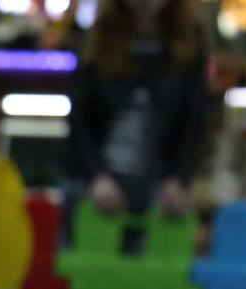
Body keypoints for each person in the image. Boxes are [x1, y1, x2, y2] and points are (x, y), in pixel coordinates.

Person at [65, 0, 209, 220]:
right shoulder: (98, 37)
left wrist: (180, 178)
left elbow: (194, 119)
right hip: (93, 184)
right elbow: (80, 119)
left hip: (159, 186)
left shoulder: (191, 41)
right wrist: (97, 176)